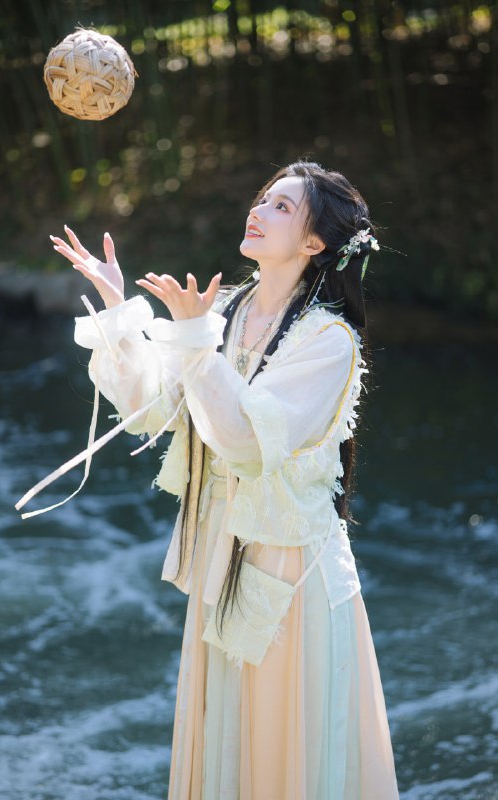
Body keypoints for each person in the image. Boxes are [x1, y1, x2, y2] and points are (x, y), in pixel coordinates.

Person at [47, 160, 400, 799]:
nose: (258, 210)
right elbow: (150, 411)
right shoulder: (225, 312)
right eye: (263, 199)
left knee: (281, 752)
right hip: (222, 557)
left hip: (290, 577)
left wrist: (193, 338)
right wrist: (118, 305)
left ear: (314, 242)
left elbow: (245, 444)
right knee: (226, 750)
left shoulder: (328, 341)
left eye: (282, 207)